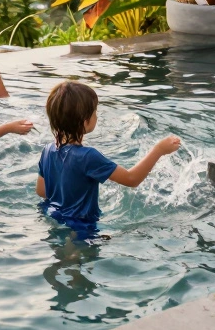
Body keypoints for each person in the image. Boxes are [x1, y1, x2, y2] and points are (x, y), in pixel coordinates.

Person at [36, 81, 181, 236]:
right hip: (82, 225)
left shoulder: (47, 150)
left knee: (64, 258)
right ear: (85, 121)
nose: (96, 116)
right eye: (95, 112)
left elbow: (42, 191)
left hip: (54, 215)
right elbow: (132, 179)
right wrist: (159, 150)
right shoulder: (88, 156)